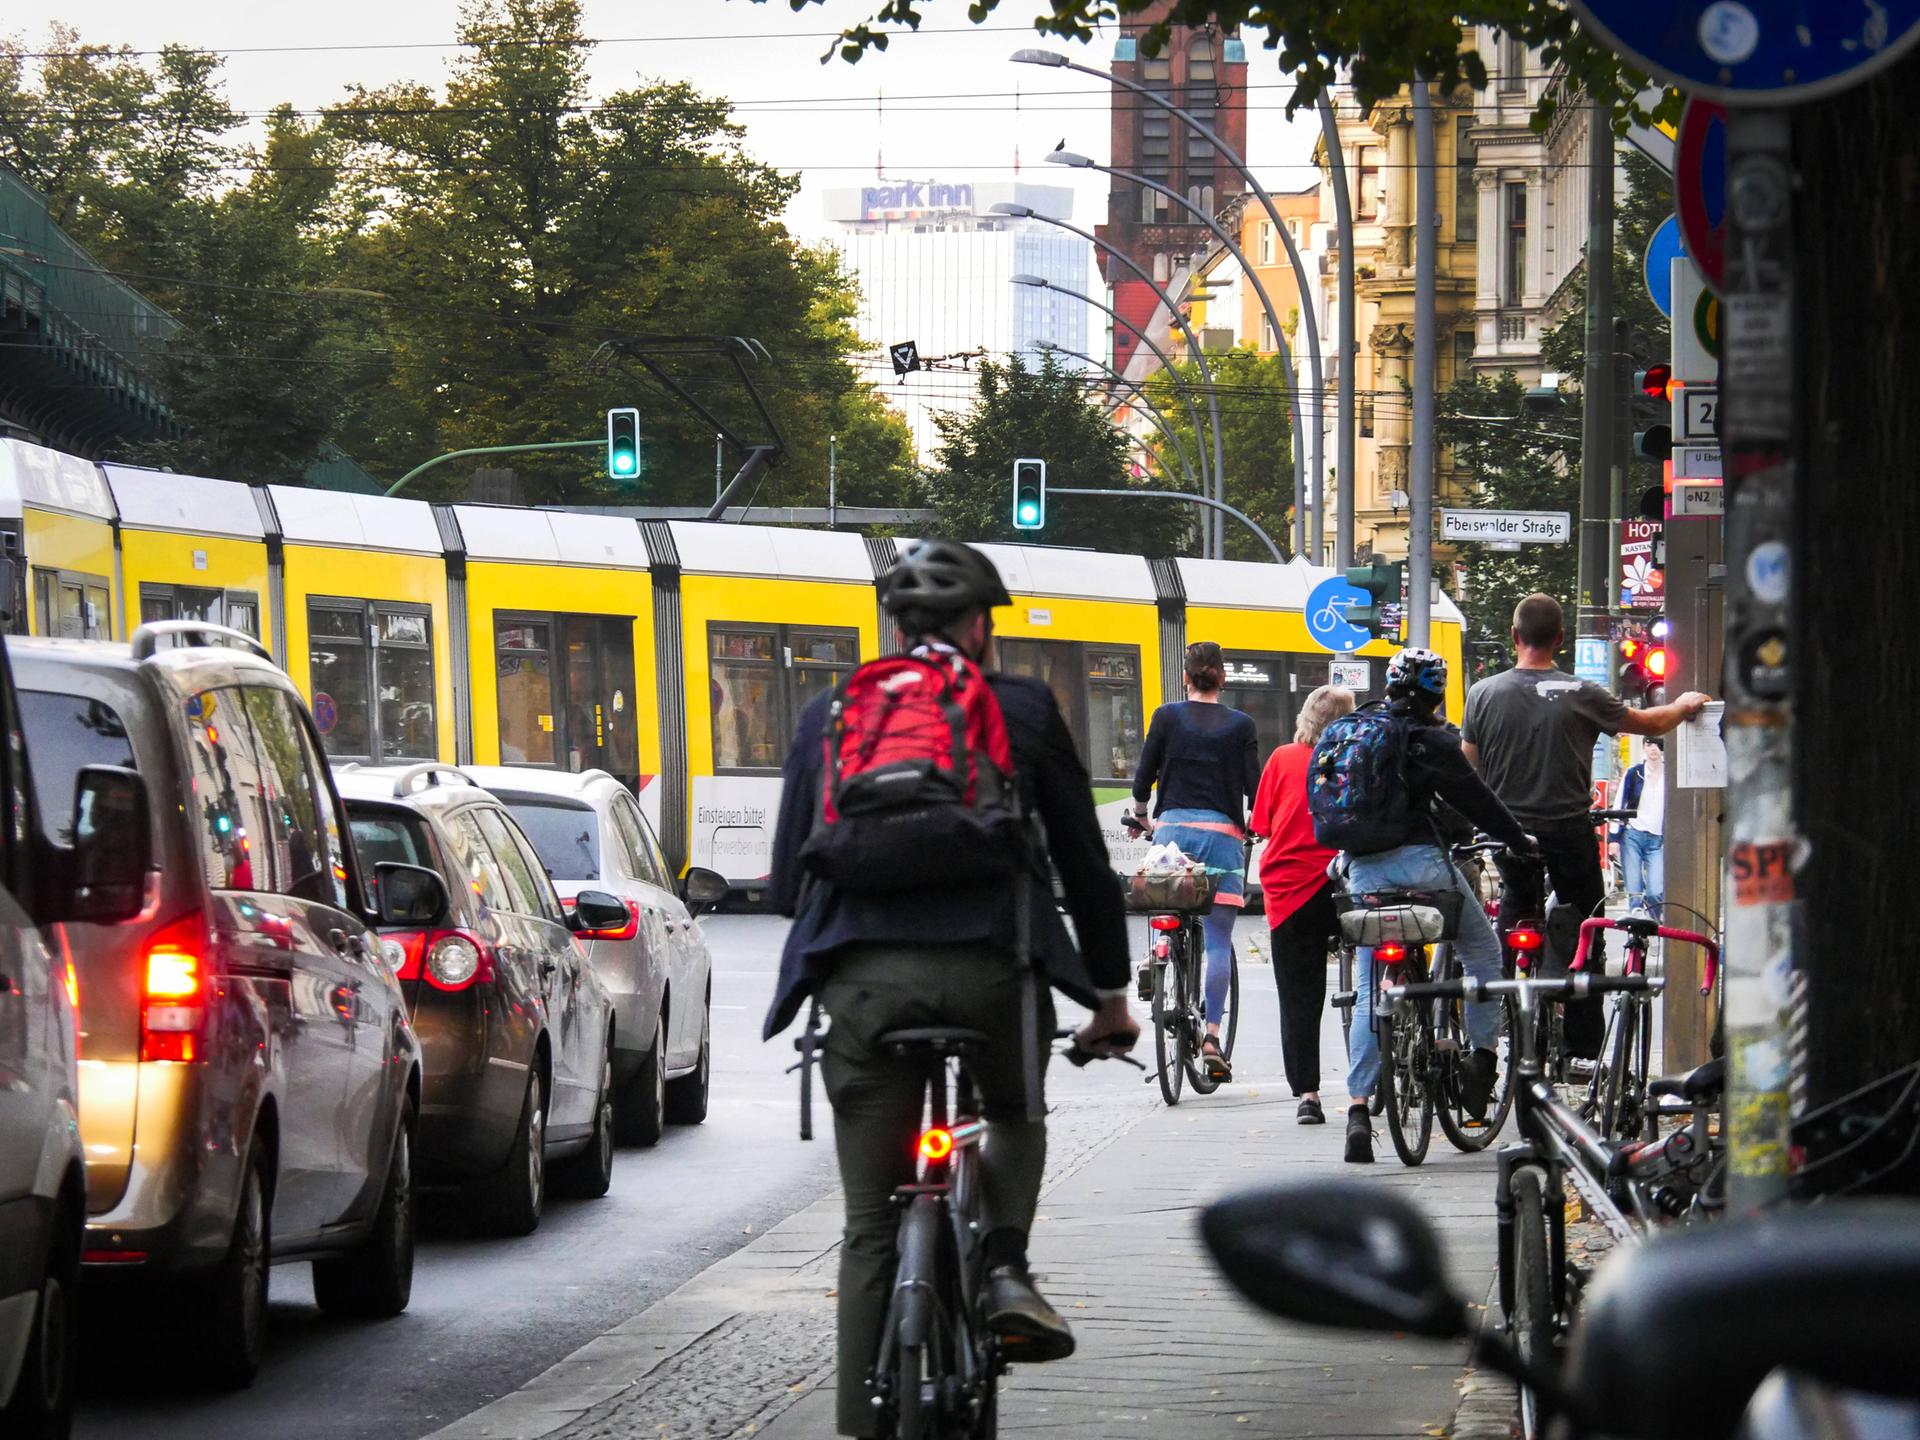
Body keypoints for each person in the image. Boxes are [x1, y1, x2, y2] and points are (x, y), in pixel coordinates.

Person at [764, 539, 1140, 1439]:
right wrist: (1109, 997)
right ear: (981, 627)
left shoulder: (830, 713)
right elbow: (1086, 867)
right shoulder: (1021, 706)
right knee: (1012, 1115)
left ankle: (862, 1418)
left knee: (867, 1225)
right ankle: (1006, 1266)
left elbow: (784, 884)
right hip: (991, 973)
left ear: (894, 626)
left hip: (860, 985)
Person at [1461, 595, 1707, 1058]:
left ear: (1515, 637)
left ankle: (1492, 1039)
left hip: (1508, 834)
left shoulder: (1483, 693)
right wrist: (1686, 704)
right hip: (1567, 832)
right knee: (1585, 930)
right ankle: (1582, 1048)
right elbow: (1647, 721)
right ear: (1559, 639)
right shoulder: (1580, 693)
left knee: (1514, 909)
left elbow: (1467, 767)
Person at [1340, 648, 1534, 1165]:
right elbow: (1477, 801)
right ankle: (1482, 1063)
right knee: (1482, 954)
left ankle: (1359, 1109)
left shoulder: (1359, 729)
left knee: (1365, 989)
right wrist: (1518, 840)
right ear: (1436, 693)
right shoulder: (1432, 741)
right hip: (1425, 867)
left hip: (1363, 872)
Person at [1129, 640, 1260, 1081]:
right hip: (1222, 839)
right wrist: (1254, 825)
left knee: (1165, 906)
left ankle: (1156, 959)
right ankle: (1212, 1037)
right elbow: (1253, 788)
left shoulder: (1166, 717)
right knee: (1219, 940)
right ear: (1222, 677)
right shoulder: (1241, 724)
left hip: (1173, 836)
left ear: (1186, 677)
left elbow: (1144, 776)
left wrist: (1144, 817)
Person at [1249, 683, 1356, 1125]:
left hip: (1291, 891)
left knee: (1298, 994)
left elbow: (1262, 824)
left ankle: (1308, 1096)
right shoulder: (1353, 758)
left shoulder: (1282, 759)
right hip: (1346, 886)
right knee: (1371, 983)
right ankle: (1371, 1083)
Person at [1616, 739, 1666, 918]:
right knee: (1635, 892)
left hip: (1657, 838)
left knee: (1655, 891)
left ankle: (1653, 925)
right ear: (1644, 746)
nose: (1654, 749)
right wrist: (1614, 838)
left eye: (1658, 745)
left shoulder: (1671, 774)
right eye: (1650, 744)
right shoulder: (1634, 773)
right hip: (1632, 834)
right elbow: (1620, 803)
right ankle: (1635, 935)